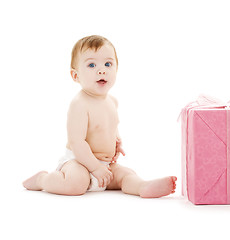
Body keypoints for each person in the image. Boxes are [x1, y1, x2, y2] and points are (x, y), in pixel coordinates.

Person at [23, 35, 177, 197]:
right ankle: (42, 179)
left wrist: (117, 141)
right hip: (79, 162)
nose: (101, 70)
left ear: (116, 70)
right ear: (76, 76)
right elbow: (77, 142)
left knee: (125, 174)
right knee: (76, 184)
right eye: (91, 65)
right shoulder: (80, 104)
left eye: (108, 64)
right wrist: (95, 168)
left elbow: (111, 127)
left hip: (105, 165)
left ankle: (142, 187)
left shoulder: (113, 102)